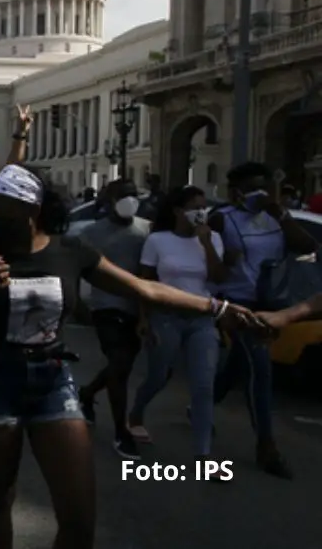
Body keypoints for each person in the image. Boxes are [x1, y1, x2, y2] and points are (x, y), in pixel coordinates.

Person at [0, 158, 264, 549]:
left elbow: (144, 289)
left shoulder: (70, 251)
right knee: (0, 497)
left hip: (52, 381)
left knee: (79, 519)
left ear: (32, 209)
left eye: (3, 207)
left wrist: (218, 309)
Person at [209, 161, 316, 479]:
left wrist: (280, 212)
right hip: (237, 303)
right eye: (252, 187)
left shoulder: (275, 218)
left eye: (264, 187)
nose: (259, 193)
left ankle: (203, 403)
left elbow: (308, 247)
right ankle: (266, 445)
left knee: (238, 363)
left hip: (271, 301)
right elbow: (206, 258)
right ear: (235, 192)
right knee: (261, 368)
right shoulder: (221, 219)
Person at [127, 185, 226, 466]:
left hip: (202, 316)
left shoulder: (213, 238)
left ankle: (203, 455)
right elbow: (145, 282)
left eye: (203, 207)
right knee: (159, 376)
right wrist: (144, 319)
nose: (201, 212)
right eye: (194, 207)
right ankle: (136, 413)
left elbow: (219, 278)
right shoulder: (158, 240)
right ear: (178, 211)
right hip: (166, 316)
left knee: (203, 384)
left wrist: (206, 243)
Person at [76, 179, 151, 459]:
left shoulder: (146, 229)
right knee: (119, 364)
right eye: (124, 196)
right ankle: (122, 432)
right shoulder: (93, 233)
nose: (130, 200)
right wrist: (75, 305)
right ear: (110, 200)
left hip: (138, 308)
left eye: (134, 195)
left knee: (122, 365)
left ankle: (87, 393)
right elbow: (77, 268)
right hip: (106, 308)